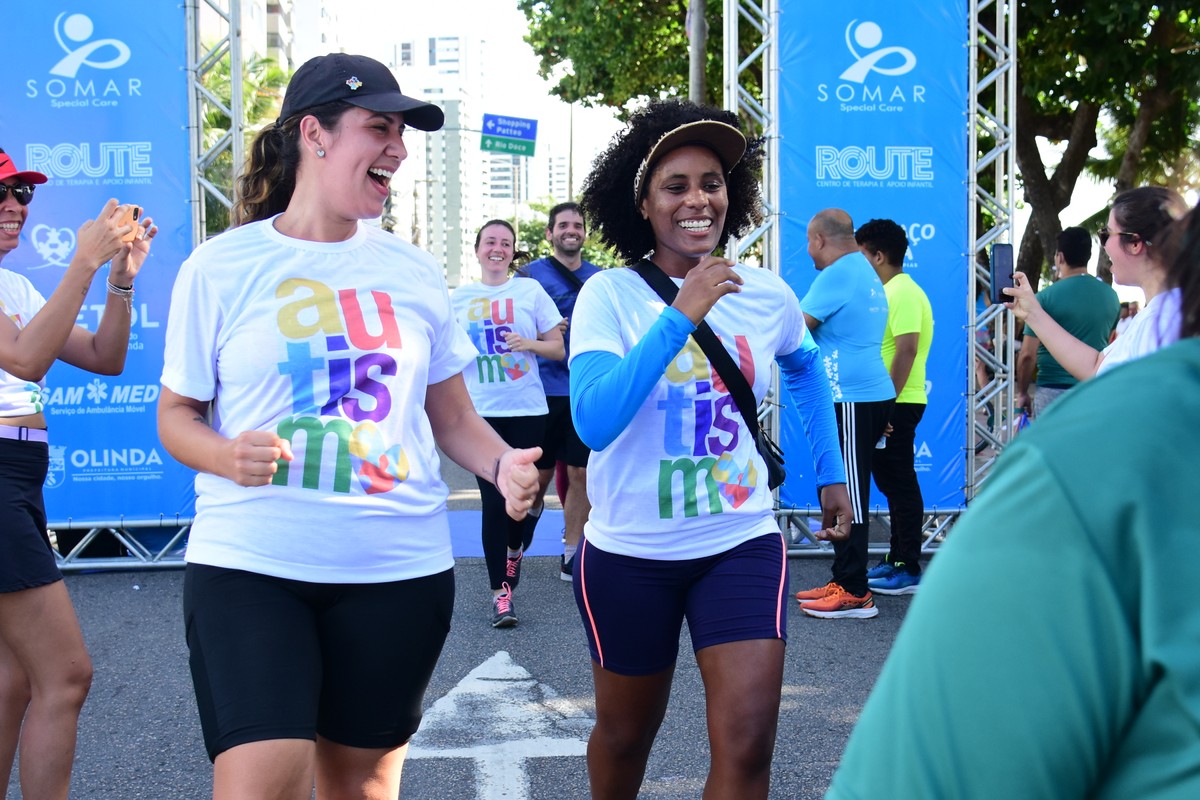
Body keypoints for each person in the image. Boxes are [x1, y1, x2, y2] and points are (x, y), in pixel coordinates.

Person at [156, 54, 540, 799]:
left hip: (396, 568)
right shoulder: (221, 266)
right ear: (315, 134)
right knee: (260, 780)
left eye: (402, 133)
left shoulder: (414, 270)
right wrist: (223, 453)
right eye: (380, 128)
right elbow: (176, 417)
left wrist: (502, 467)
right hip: (251, 562)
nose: (397, 148)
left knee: (360, 787)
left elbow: (454, 417)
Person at [826, 199, 1200, 800]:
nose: (1104, 246)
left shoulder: (1074, 475)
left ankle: (875, 576)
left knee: (890, 490)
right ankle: (890, 568)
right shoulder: (1125, 316)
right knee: (899, 490)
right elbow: (1104, 364)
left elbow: (930, 767)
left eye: (1111, 235)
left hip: (1041, 439)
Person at [570, 98, 852, 800]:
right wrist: (681, 313)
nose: (698, 199)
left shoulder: (764, 292)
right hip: (631, 551)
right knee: (626, 737)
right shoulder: (607, 296)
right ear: (642, 203)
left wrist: (831, 471)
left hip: (740, 539)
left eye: (712, 183)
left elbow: (806, 365)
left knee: (750, 743)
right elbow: (594, 422)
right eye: (676, 186)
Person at [0, 147, 154, 798]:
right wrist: (83, 262)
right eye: (1, 196)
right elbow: (26, 361)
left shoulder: (14, 286)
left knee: (13, 680)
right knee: (66, 674)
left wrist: (120, 279)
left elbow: (105, 355)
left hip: (19, 474)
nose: (14, 208)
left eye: (22, 196)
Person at [451, 219, 564, 627]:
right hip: (481, 414)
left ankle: (515, 549)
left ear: (513, 251)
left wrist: (528, 343)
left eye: (505, 243)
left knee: (521, 501)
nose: (497, 248)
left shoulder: (529, 291)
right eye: (490, 242)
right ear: (477, 249)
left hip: (527, 410)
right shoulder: (458, 298)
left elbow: (558, 347)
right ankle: (501, 594)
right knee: (493, 502)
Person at [793, 209, 896, 619]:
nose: (808, 252)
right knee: (847, 485)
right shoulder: (863, 269)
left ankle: (855, 591)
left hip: (852, 396)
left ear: (819, 239)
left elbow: (795, 328)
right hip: (864, 394)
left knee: (848, 490)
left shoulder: (839, 273)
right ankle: (844, 578)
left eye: (808, 242)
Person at [1007, 186, 1187, 378]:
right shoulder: (1161, 313)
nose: (1104, 245)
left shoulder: (1163, 323)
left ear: (1135, 243)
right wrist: (1032, 313)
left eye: (1106, 235)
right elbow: (1096, 367)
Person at [517, 202, 601, 581]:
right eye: (563, 225)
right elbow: (512, 329)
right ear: (550, 233)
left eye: (578, 225)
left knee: (581, 472)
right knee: (539, 478)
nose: (572, 230)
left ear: (585, 233)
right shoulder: (528, 276)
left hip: (582, 389)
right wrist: (549, 332)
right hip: (539, 392)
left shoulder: (600, 279)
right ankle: (527, 522)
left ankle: (571, 553)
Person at [854, 218, 933, 596]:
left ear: (880, 256)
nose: (857, 264)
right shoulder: (894, 290)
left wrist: (885, 408)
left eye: (861, 256)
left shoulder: (900, 291)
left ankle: (907, 565)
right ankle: (896, 558)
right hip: (894, 401)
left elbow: (906, 349)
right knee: (892, 482)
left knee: (900, 482)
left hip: (898, 403)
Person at [1014, 227, 1119, 419]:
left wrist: (1022, 393)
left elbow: (1028, 355)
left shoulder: (1043, 298)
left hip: (1051, 392)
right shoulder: (1111, 297)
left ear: (1059, 257)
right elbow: (1111, 343)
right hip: (1093, 389)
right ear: (1088, 256)